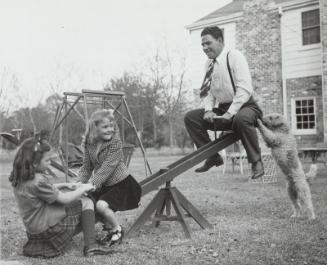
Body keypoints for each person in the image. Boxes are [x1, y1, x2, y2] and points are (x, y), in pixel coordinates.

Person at [9, 136, 112, 258]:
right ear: (35, 163)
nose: (50, 164)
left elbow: (44, 189)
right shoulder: (39, 180)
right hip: (48, 231)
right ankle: (91, 246)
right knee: (86, 202)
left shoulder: (21, 178)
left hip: (34, 232)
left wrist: (66, 185)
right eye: (47, 160)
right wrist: (84, 188)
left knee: (70, 199)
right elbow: (65, 199)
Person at [184, 26, 264, 179]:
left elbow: (245, 89)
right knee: (191, 117)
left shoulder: (234, 56)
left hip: (246, 106)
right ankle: (212, 156)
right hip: (223, 111)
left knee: (241, 119)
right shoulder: (208, 64)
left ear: (220, 41)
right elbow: (206, 92)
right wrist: (208, 110)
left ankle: (256, 162)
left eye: (208, 43)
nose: (205, 48)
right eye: (202, 45)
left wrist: (231, 112)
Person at [78, 109, 141, 246]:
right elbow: (87, 167)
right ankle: (109, 227)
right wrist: (79, 183)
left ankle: (117, 230)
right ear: (95, 128)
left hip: (122, 184)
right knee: (90, 201)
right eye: (105, 127)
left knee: (101, 205)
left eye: (112, 126)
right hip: (105, 185)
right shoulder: (90, 144)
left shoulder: (115, 143)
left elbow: (108, 167)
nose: (110, 130)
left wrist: (92, 183)